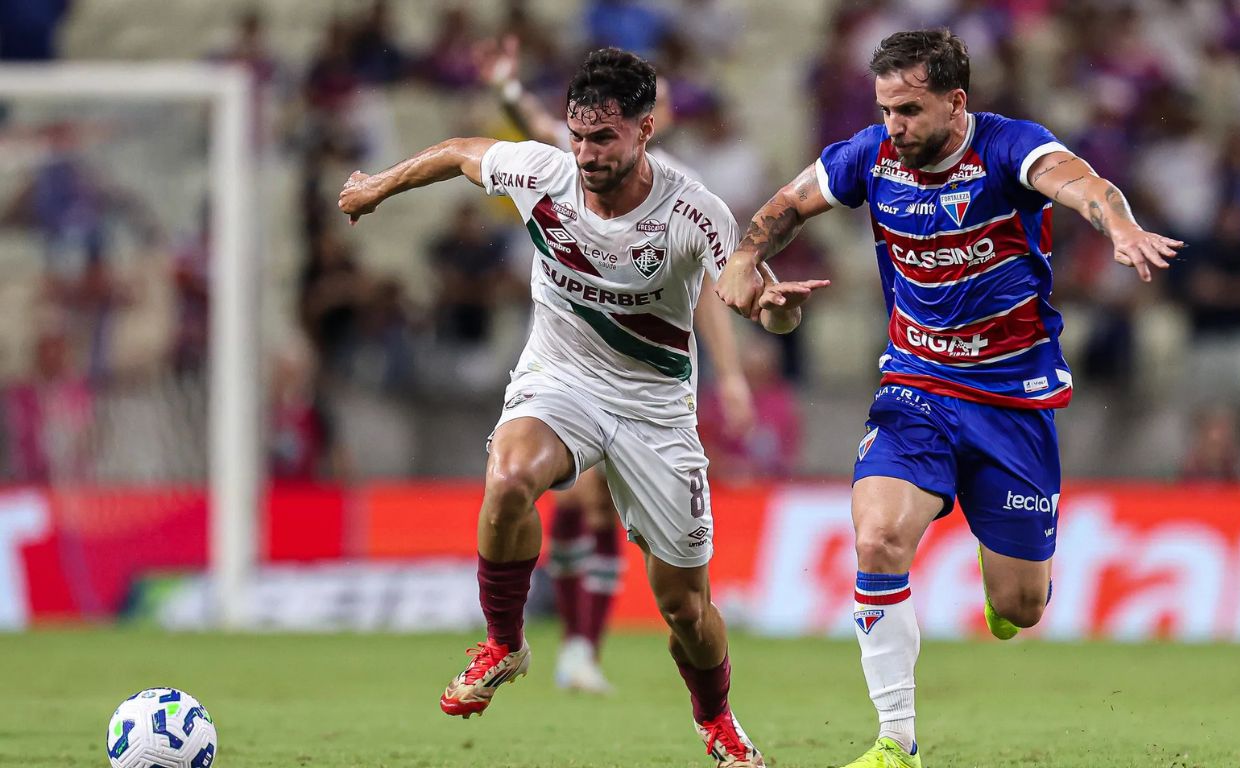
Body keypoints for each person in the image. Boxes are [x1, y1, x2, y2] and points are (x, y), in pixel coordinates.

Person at [339, 48, 827, 767]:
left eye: (605, 139)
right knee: (509, 479)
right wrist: (377, 187)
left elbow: (753, 299)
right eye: (578, 136)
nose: (587, 153)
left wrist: (780, 315)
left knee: (686, 610)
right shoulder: (544, 175)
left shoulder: (694, 212)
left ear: (645, 131)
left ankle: (717, 719)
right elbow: (458, 152)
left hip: (657, 408)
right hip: (561, 378)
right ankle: (505, 644)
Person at [715, 28, 1181, 768]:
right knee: (876, 538)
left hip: (1012, 399)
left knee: (1023, 605)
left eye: (909, 110)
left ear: (955, 102)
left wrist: (1117, 225)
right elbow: (786, 205)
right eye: (885, 109)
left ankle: (1008, 590)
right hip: (916, 386)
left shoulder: (1006, 148)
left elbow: (1084, 182)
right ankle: (896, 741)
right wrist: (746, 255)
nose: (893, 126)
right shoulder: (869, 156)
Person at [474, 34, 756, 694]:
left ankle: (579, 644)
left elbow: (710, 299)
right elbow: (540, 132)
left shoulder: (681, 200)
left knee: (604, 515)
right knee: (567, 492)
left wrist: (733, 374)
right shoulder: (583, 165)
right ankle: (572, 644)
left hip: (646, 379)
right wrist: (507, 89)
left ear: (649, 124)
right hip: (572, 354)